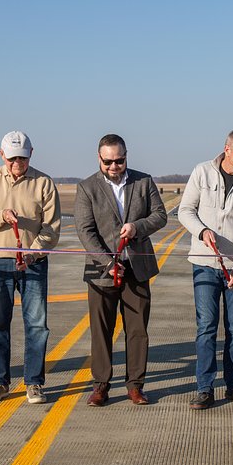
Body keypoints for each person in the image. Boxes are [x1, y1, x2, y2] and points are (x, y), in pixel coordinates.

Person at [0, 131, 61, 405]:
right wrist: (1, 216)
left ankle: (34, 383)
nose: (16, 163)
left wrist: (32, 253)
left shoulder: (43, 182)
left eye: (21, 157)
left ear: (31, 154)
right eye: (11, 158)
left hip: (33, 264)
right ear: (2, 155)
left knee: (36, 325)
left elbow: (52, 228)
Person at [75, 134, 167, 407]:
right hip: (101, 271)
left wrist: (138, 227)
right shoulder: (86, 188)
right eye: (108, 161)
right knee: (101, 330)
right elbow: (85, 231)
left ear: (127, 156)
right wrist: (107, 261)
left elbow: (160, 215)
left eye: (119, 160)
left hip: (137, 268)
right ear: (99, 158)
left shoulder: (144, 181)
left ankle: (135, 386)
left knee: (137, 330)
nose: (114, 166)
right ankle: (101, 386)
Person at [178, 128, 233, 410]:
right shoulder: (202, 172)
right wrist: (201, 230)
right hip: (204, 263)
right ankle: (205, 388)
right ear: (227, 149)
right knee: (206, 327)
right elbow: (185, 211)